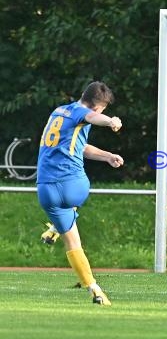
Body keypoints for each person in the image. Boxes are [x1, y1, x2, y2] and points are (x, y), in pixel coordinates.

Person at [36, 81, 123, 305]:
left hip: (46, 190)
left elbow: (79, 147)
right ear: (97, 107)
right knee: (77, 195)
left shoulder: (58, 112)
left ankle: (94, 289)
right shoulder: (86, 113)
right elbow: (94, 118)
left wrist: (106, 156)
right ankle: (59, 223)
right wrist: (110, 121)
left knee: (73, 243)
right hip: (73, 186)